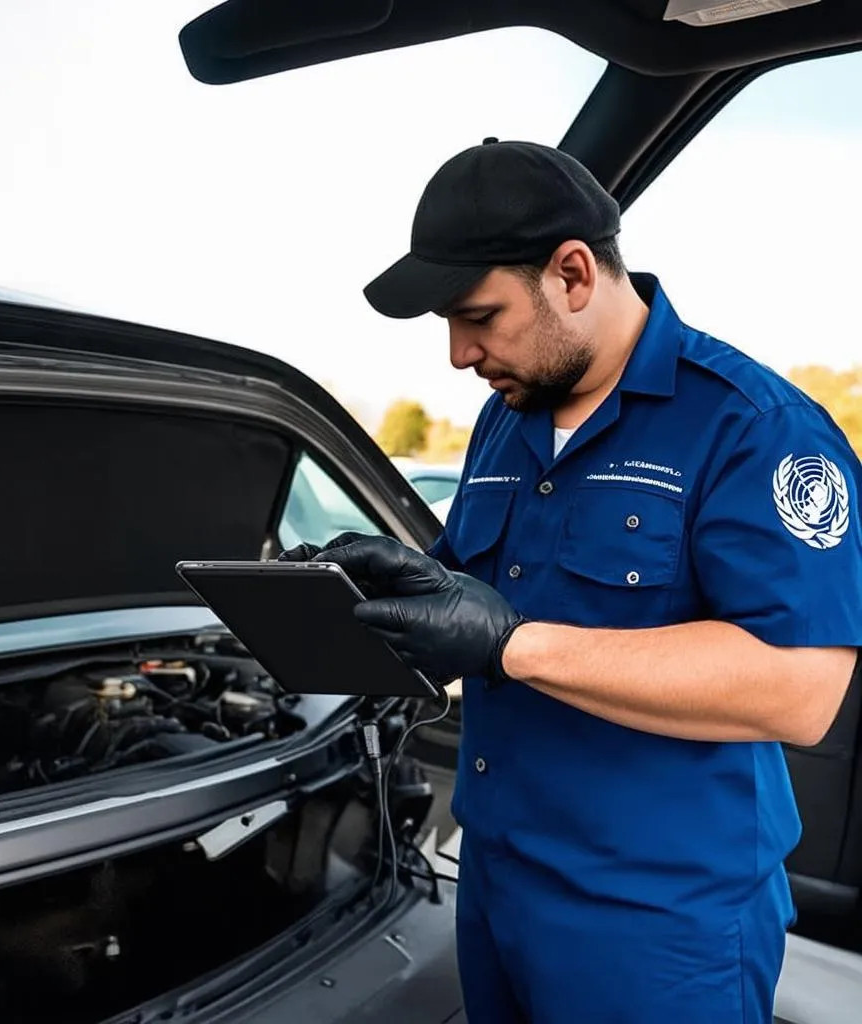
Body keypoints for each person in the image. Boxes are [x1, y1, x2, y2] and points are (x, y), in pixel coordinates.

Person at [279, 138, 862, 1023]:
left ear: (574, 274)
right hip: (495, 876)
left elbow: (800, 689)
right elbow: (469, 600)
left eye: (477, 315)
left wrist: (512, 646)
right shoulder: (503, 426)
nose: (458, 353)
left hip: (658, 923)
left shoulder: (757, 427)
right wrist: (387, 588)